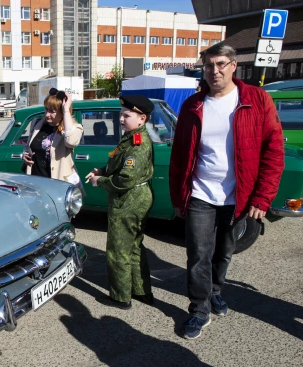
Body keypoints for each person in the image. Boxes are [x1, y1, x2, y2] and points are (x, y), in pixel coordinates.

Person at [169, 43, 285, 339]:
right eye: (209, 65)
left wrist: (262, 197)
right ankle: (199, 309)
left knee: (224, 251)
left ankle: (215, 291)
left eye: (221, 64)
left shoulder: (257, 100)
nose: (215, 70)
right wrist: (178, 198)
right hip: (200, 194)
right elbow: (180, 156)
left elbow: (274, 151)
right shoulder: (193, 105)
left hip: (239, 196)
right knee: (198, 254)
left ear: (234, 65)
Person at [85, 95, 155, 309]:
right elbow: (119, 164)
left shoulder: (138, 143)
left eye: (126, 115)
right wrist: (103, 170)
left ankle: (120, 296)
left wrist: (100, 181)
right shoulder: (131, 137)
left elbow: (126, 179)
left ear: (142, 118)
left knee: (119, 249)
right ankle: (141, 290)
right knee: (134, 247)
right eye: (121, 115)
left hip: (128, 201)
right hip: (135, 198)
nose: (121, 119)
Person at [22, 88, 83, 186]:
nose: (47, 114)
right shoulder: (36, 124)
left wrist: (66, 110)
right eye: (46, 109)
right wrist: (24, 154)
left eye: (52, 111)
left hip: (59, 183)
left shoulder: (75, 128)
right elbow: (28, 146)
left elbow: (71, 142)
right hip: (35, 181)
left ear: (62, 112)